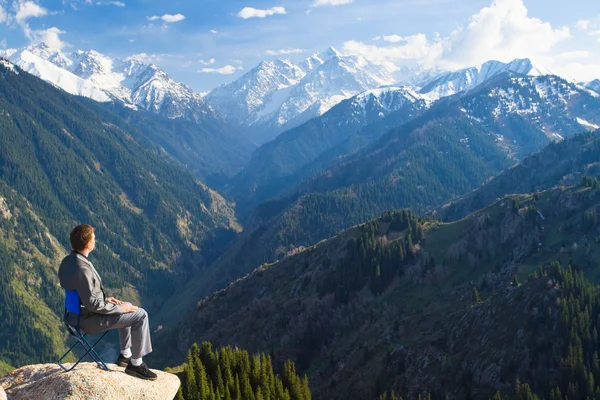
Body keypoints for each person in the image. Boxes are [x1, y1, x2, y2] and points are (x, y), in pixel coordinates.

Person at [58, 224, 157, 380]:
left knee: (125, 306)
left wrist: (107, 301)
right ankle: (136, 364)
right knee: (140, 315)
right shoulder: (82, 268)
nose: (95, 241)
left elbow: (81, 294)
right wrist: (119, 308)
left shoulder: (68, 261)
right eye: (93, 238)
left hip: (75, 315)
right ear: (88, 244)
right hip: (89, 320)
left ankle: (125, 355)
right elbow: (93, 305)